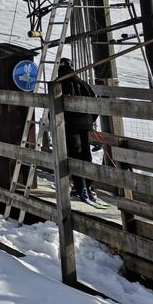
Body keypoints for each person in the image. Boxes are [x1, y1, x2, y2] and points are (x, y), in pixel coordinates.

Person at [56, 57, 99, 202]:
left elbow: (54, 105)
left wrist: (54, 123)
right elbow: (95, 103)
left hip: (69, 126)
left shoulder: (58, 84)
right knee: (86, 154)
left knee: (75, 154)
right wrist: (90, 120)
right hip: (85, 124)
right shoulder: (82, 83)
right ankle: (90, 186)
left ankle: (80, 187)